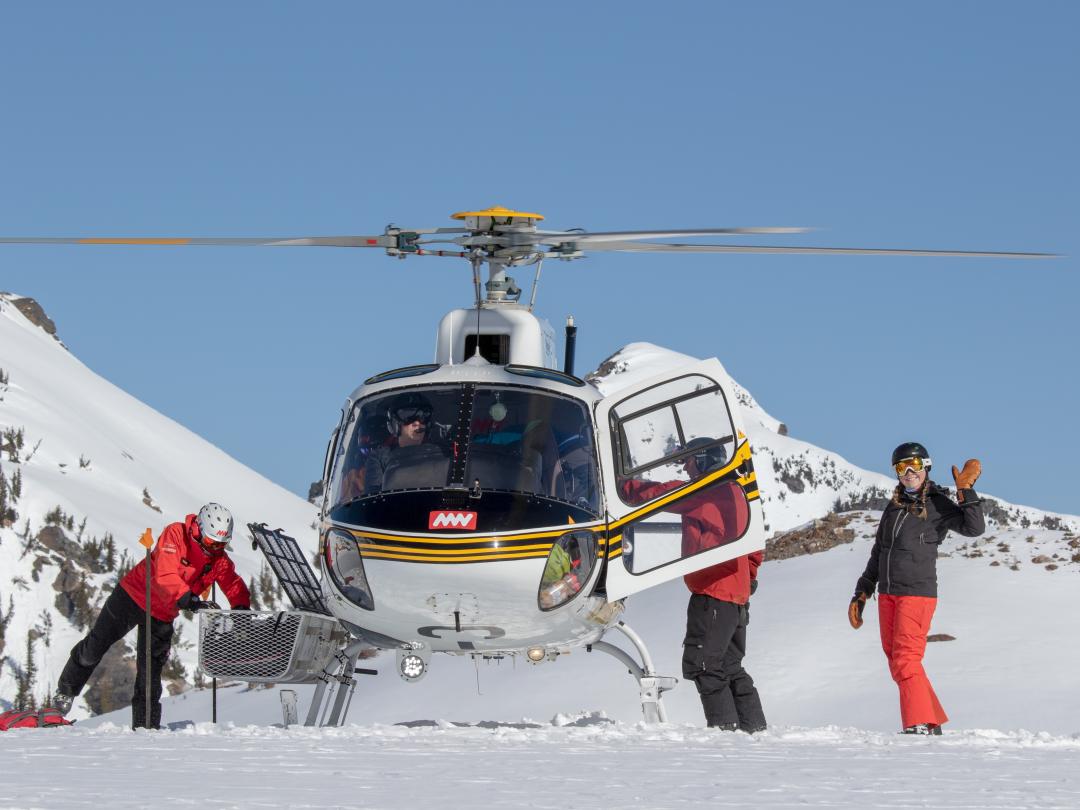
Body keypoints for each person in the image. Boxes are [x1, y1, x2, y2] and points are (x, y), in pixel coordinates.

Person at [53, 503, 250, 729]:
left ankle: (145, 727)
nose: (215, 548)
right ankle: (65, 693)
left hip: (163, 613)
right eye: (211, 542)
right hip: (133, 596)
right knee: (95, 646)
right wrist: (188, 598)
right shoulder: (176, 534)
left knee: (150, 676)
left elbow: (233, 583)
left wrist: (241, 607)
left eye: (221, 544)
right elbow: (165, 573)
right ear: (199, 529)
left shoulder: (219, 559)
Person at [622, 437, 767, 732]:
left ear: (702, 460)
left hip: (713, 592)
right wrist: (748, 579)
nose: (686, 469)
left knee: (704, 664)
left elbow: (660, 495)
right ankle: (754, 731)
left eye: (689, 462)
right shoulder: (739, 493)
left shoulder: (706, 491)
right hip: (736, 598)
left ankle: (725, 731)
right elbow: (756, 547)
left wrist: (621, 487)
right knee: (730, 666)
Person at [848, 442, 984, 735]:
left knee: (906, 659)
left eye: (915, 466)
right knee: (896, 659)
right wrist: (863, 590)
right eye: (901, 467)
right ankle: (930, 720)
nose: (909, 472)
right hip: (888, 592)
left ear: (926, 467)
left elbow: (974, 528)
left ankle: (919, 723)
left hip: (917, 592)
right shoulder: (894, 506)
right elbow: (879, 550)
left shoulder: (937, 503)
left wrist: (965, 492)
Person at [364, 391, 438, 493]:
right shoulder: (380, 458)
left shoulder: (439, 453)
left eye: (423, 416)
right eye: (409, 416)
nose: (417, 423)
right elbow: (374, 495)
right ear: (395, 425)